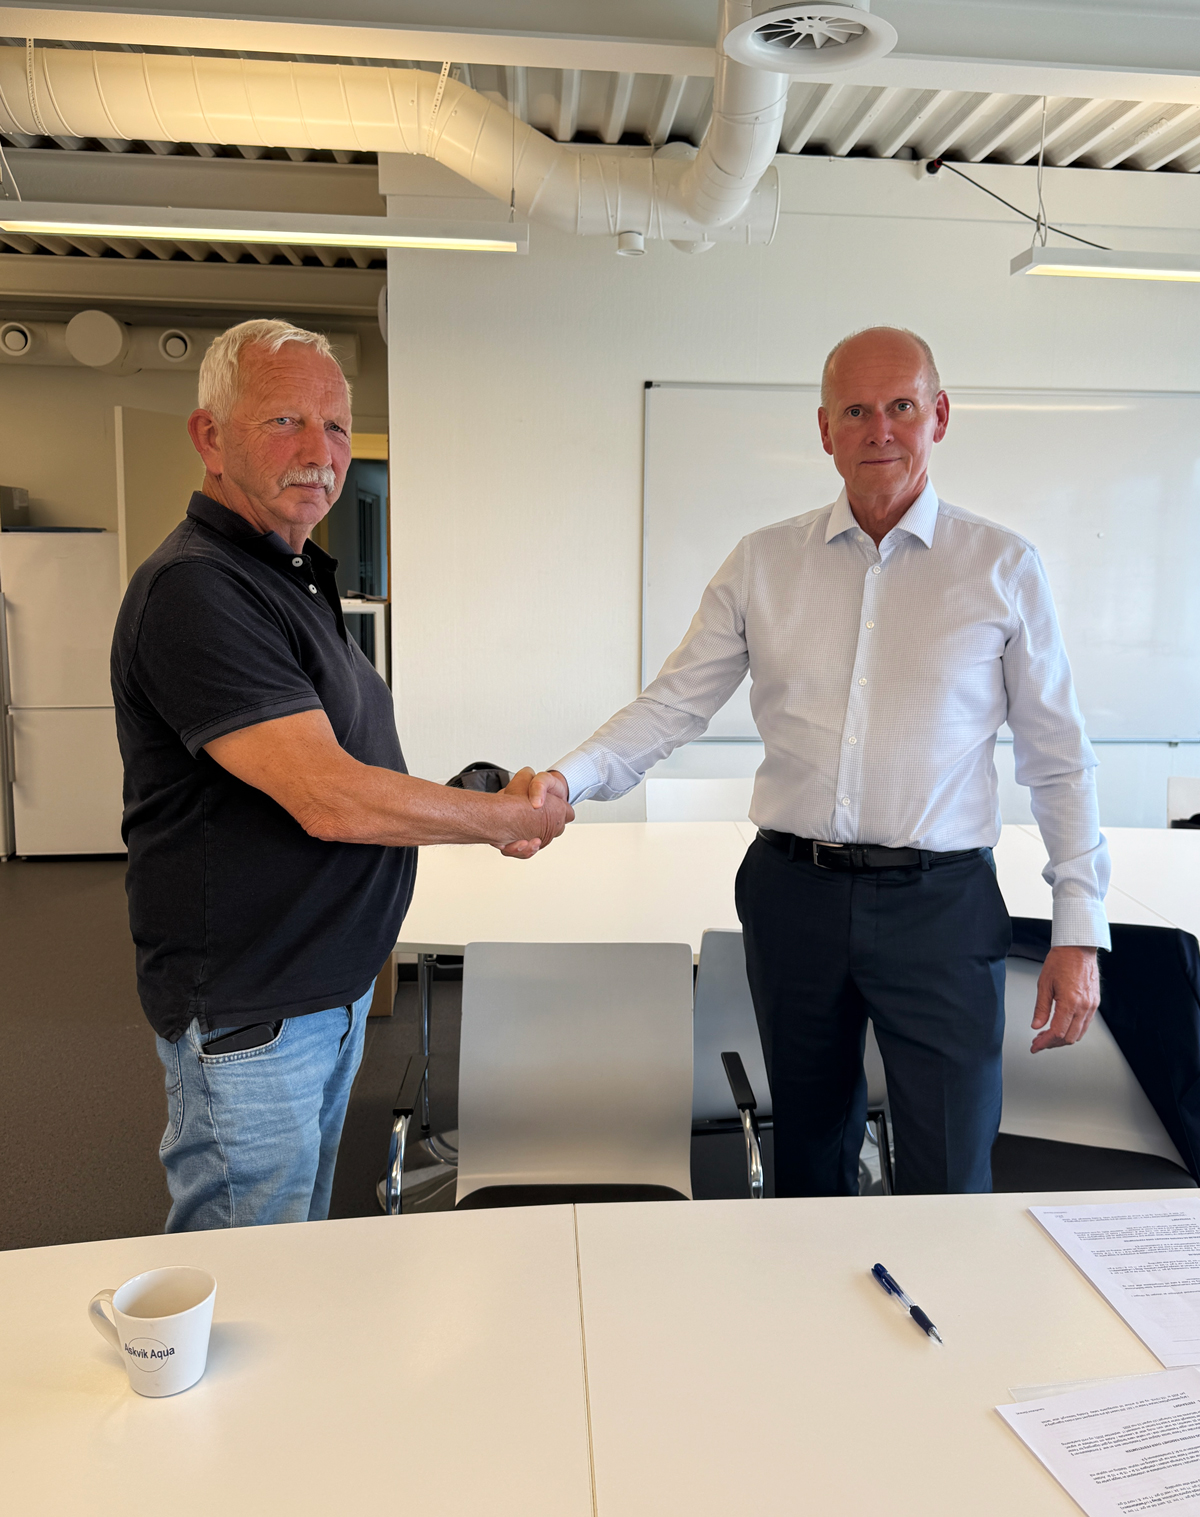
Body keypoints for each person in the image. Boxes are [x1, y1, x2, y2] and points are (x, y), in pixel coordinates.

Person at [525, 325, 1109, 1197]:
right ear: (826, 428)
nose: (881, 429)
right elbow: (672, 705)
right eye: (856, 411)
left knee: (951, 1170)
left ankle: (946, 1291)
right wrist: (566, 780)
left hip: (941, 909)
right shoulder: (763, 562)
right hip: (794, 897)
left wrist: (1078, 927)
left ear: (939, 416)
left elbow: (1058, 757)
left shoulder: (1001, 567)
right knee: (809, 1156)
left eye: (901, 406)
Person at [111, 318, 571, 1231]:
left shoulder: (287, 573)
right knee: (251, 1262)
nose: (319, 453)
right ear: (211, 437)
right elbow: (324, 794)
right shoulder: (198, 588)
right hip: (257, 1013)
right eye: (285, 421)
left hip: (323, 991)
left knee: (298, 1248)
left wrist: (469, 794)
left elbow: (344, 764)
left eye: (334, 427)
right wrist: (501, 819)